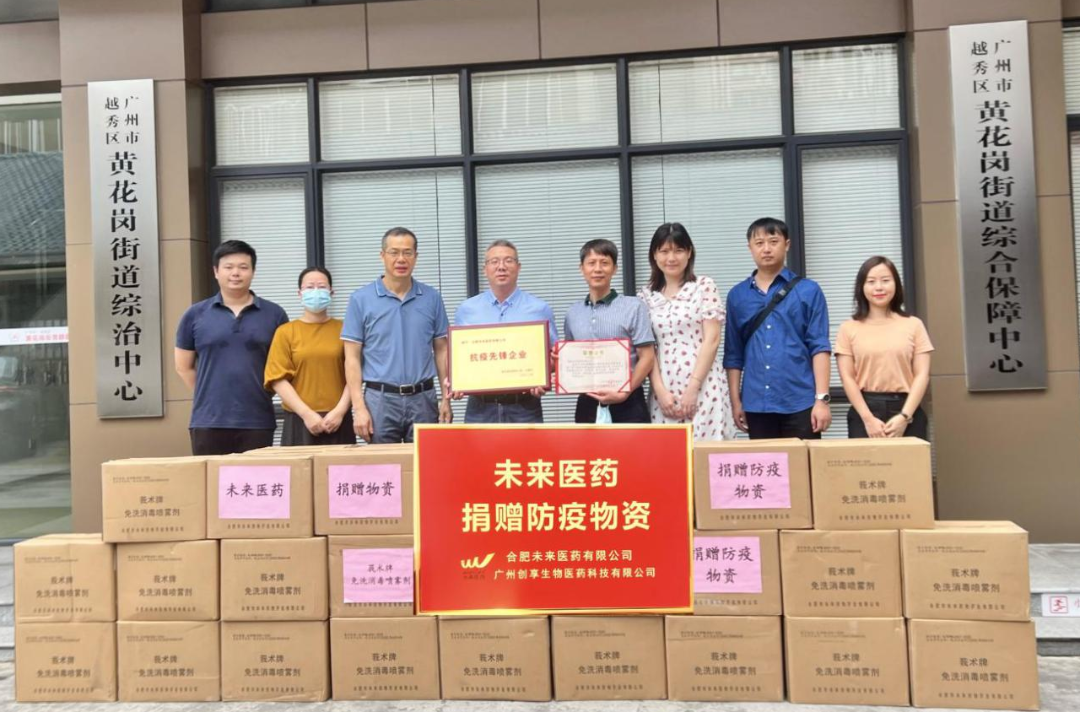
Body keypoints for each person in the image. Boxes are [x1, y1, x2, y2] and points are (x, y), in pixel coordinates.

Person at [175, 239, 288, 455]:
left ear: (253, 272)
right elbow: (183, 366)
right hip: (208, 420)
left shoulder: (274, 314)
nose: (236, 273)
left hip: (257, 419)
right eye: (228, 267)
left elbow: (282, 366)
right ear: (216, 271)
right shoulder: (195, 314)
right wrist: (208, 396)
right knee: (210, 477)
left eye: (243, 267)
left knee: (256, 476)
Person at [723, 217, 832, 439]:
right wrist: (735, 402)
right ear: (750, 248)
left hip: (800, 401)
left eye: (773, 241)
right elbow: (734, 354)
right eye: (759, 243)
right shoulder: (737, 296)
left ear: (787, 245)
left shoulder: (809, 290)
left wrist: (822, 400)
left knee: (803, 462)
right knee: (764, 462)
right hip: (756, 403)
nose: (766, 249)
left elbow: (819, 347)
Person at [342, 227, 452, 443]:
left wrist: (446, 399)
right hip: (379, 400)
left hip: (423, 398)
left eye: (407, 252)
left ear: (416, 256)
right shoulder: (360, 299)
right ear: (382, 255)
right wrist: (359, 408)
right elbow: (352, 358)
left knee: (424, 461)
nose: (401, 259)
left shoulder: (431, 298)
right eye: (394, 252)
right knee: (383, 463)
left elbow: (442, 350)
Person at [638, 223, 735, 440]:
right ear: (654, 255)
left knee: (708, 452)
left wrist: (693, 387)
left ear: (689, 252)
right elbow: (647, 349)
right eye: (664, 251)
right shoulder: (645, 296)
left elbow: (712, 339)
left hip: (704, 384)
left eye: (678, 250)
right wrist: (660, 391)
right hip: (664, 388)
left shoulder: (704, 286)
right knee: (668, 453)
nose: (671, 258)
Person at [451, 240, 558, 423]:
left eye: (508, 260)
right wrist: (455, 380)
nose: (501, 267)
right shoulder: (467, 310)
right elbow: (459, 358)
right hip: (480, 409)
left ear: (518, 267)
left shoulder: (539, 309)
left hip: (525, 408)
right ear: (485, 269)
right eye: (494, 261)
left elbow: (553, 356)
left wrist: (543, 377)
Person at [836, 256, 933, 440]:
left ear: (896, 285)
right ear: (861, 287)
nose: (879, 287)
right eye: (871, 281)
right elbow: (847, 377)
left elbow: (922, 375)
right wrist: (868, 419)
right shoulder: (848, 328)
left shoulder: (914, 325)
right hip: (865, 412)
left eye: (886, 280)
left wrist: (904, 417)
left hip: (907, 410)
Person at [563, 238, 656, 424]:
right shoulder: (573, 313)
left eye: (604, 263)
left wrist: (624, 391)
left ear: (615, 269)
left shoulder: (633, 307)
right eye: (591, 263)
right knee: (587, 445)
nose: (598, 269)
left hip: (629, 401)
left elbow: (647, 357)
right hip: (587, 402)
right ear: (581, 269)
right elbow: (571, 357)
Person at [264, 266, 355, 446]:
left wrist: (340, 411)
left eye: (321, 287)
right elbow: (277, 379)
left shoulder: (346, 330)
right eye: (309, 287)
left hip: (338, 420)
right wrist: (306, 414)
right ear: (300, 293)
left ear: (332, 292)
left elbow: (355, 374)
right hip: (298, 419)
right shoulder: (285, 332)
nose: (316, 292)